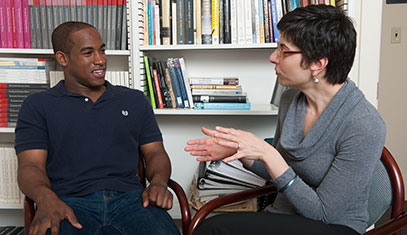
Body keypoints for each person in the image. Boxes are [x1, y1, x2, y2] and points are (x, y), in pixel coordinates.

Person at [185, 5, 385, 235]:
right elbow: (277, 172)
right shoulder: (291, 99)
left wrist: (268, 153)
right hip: (285, 216)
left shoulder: (364, 124)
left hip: (334, 227)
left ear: (317, 65)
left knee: (214, 230)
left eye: (283, 49)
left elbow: (324, 214)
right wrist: (240, 153)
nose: (272, 57)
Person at [15, 22, 180, 235]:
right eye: (88, 52)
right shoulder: (37, 105)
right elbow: (30, 166)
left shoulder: (134, 100)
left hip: (132, 201)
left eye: (102, 50)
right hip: (68, 202)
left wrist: (158, 182)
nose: (100, 59)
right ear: (63, 58)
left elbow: (156, 152)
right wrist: (46, 198)